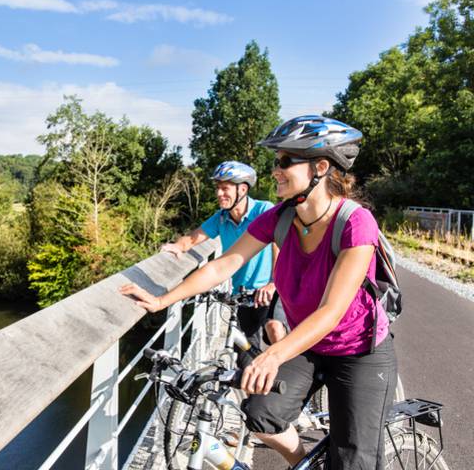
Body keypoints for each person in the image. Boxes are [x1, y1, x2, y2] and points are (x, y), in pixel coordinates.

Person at [120, 116, 397, 469]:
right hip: (308, 345)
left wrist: (272, 355)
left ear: (320, 167)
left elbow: (332, 310)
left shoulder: (356, 223)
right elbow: (224, 265)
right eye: (275, 162)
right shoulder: (280, 217)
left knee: (354, 459)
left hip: (358, 350)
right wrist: (163, 299)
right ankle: (307, 465)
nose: (274, 171)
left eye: (284, 162)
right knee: (261, 414)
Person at [160, 160, 287, 347]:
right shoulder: (221, 218)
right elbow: (193, 239)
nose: (219, 194)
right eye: (218, 188)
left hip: (271, 291)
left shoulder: (263, 210)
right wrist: (177, 247)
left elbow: (280, 247)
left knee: (275, 330)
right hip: (243, 294)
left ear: (242, 190)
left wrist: (273, 283)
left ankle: (292, 371)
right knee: (246, 353)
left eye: (225, 188)